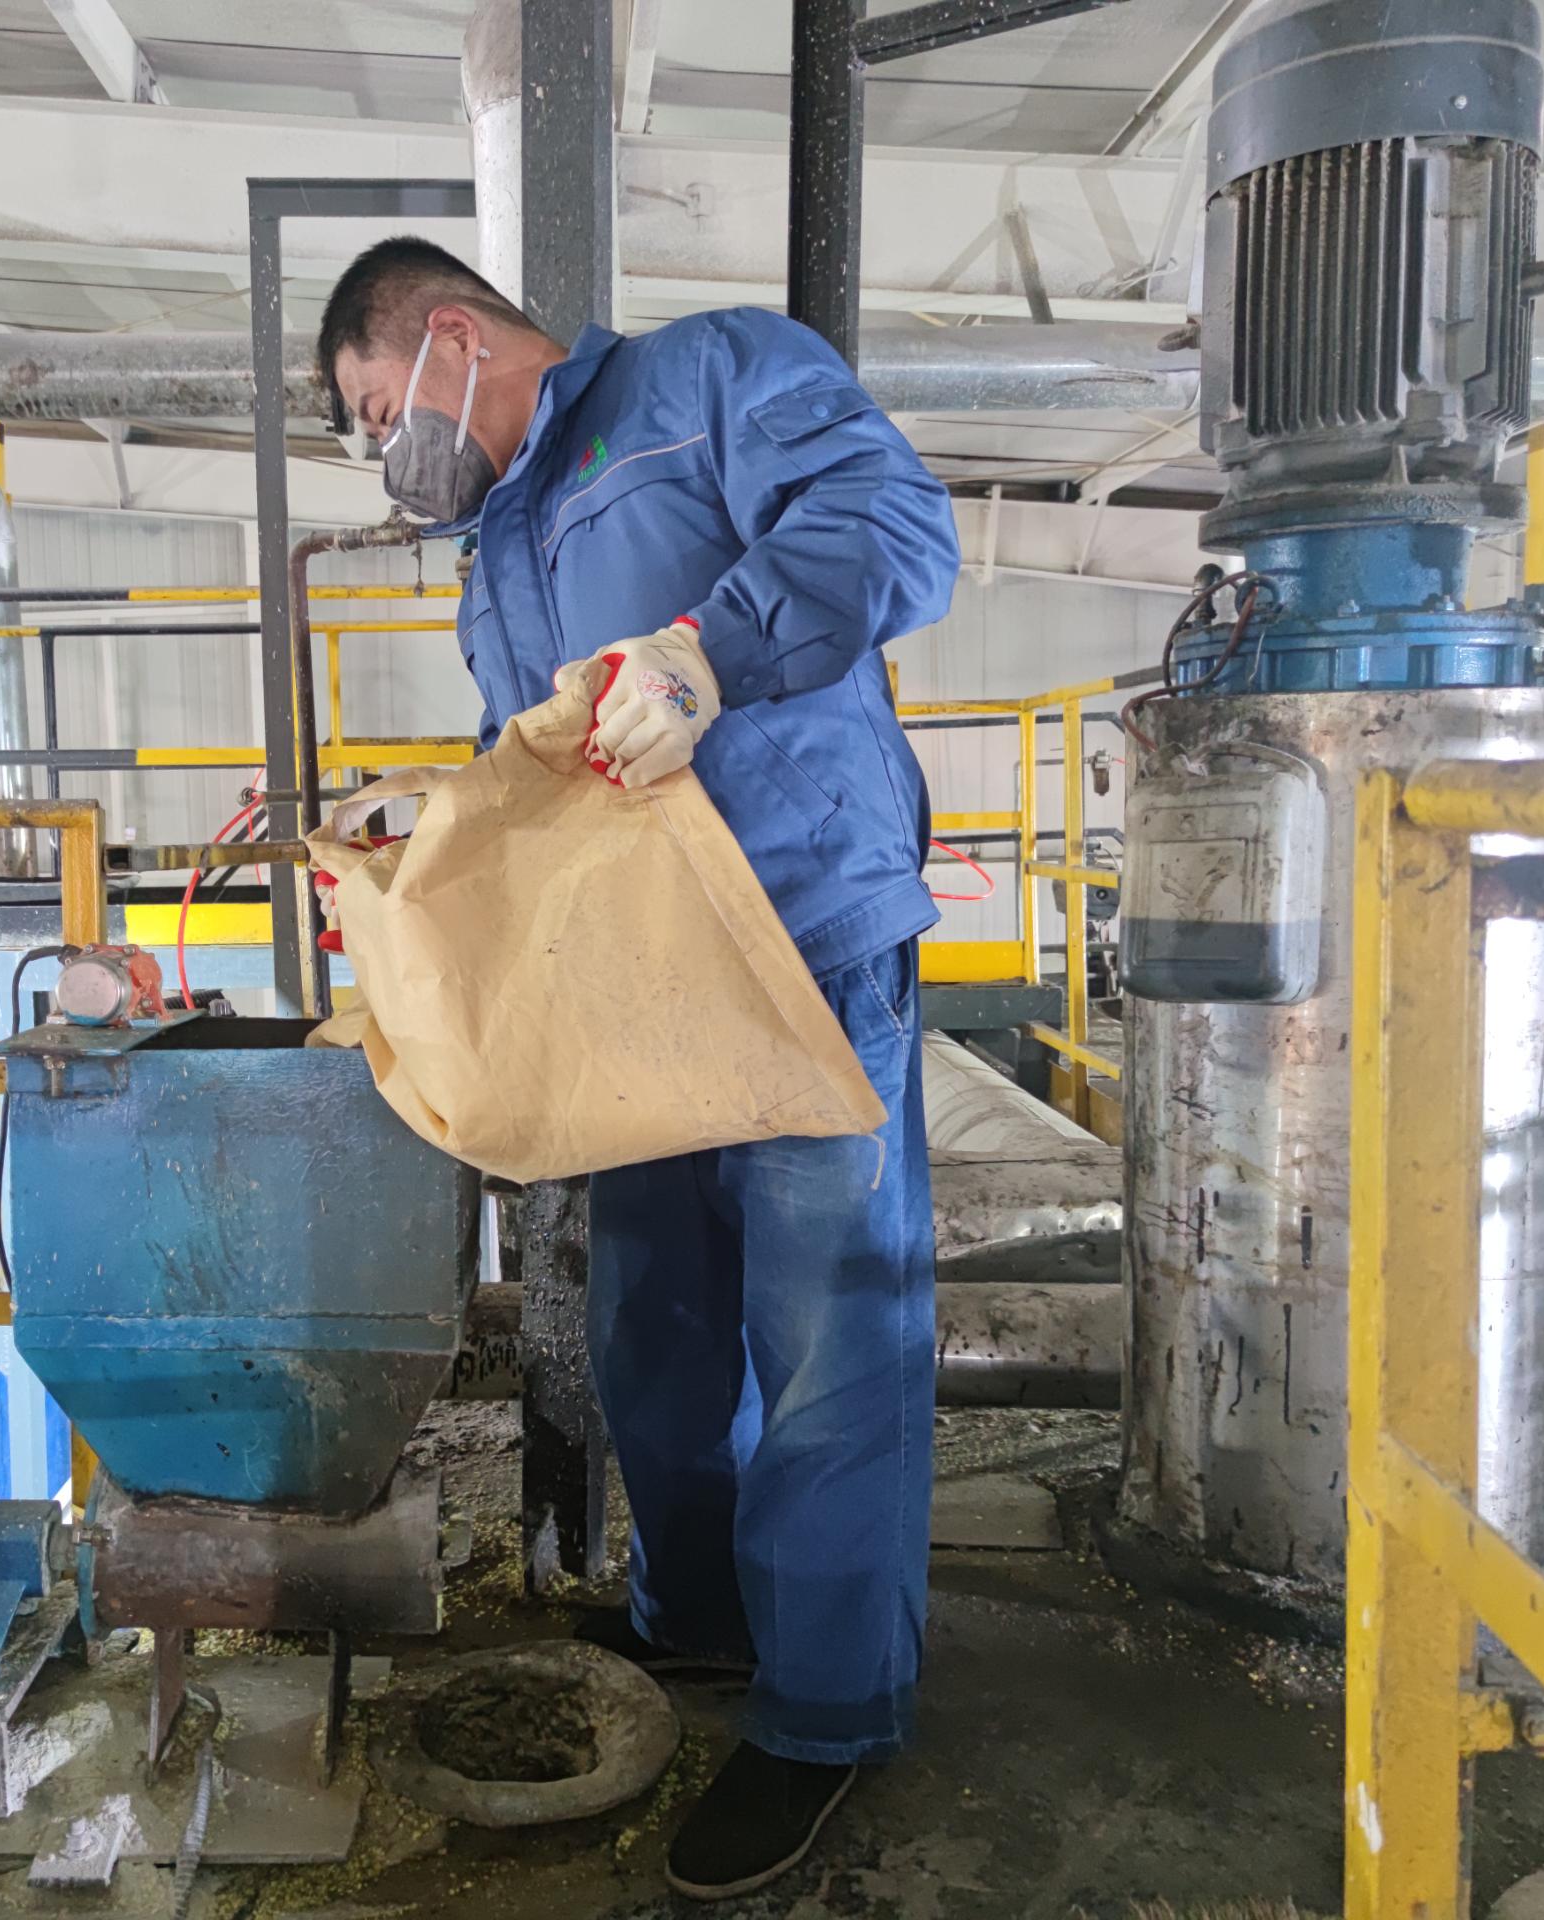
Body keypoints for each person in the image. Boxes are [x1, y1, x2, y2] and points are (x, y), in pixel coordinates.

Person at [321, 238, 960, 1901]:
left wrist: (708, 650)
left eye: (381, 411)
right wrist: (435, 835)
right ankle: (705, 1618)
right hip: (639, 986)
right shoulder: (494, 547)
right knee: (652, 1330)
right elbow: (544, 766)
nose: (391, 452)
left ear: (449, 338)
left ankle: (825, 1712)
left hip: (804, 938)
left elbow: (898, 527)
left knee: (828, 1345)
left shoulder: (710, 380)